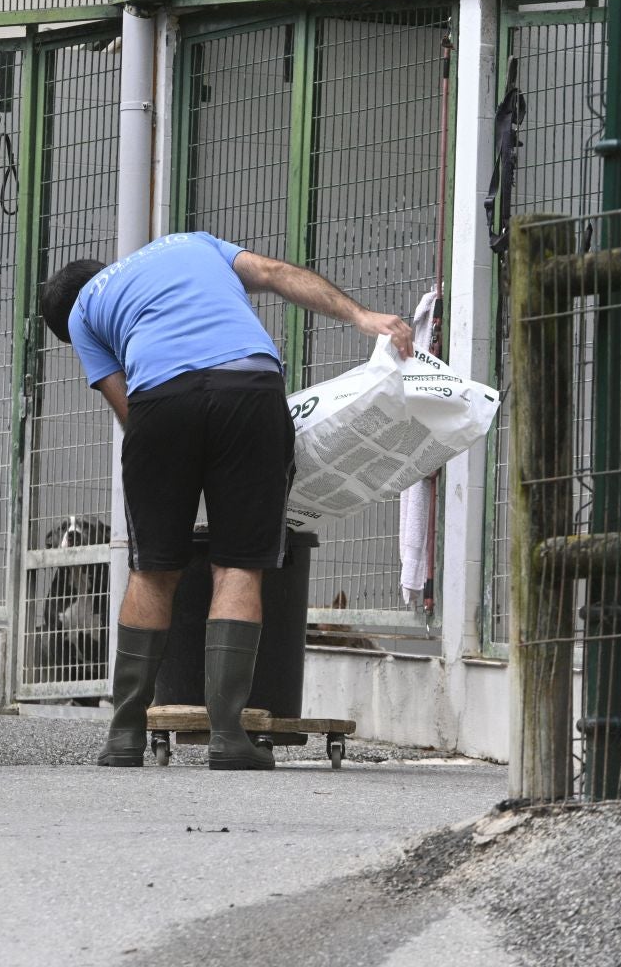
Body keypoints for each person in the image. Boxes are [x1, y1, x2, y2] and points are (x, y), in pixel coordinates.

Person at [39, 232, 414, 771]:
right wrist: (361, 316)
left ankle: (124, 737)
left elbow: (128, 409)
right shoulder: (189, 245)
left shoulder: (84, 313)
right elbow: (277, 274)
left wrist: (172, 471)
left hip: (161, 405)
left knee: (152, 570)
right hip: (249, 389)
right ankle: (227, 737)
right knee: (239, 563)